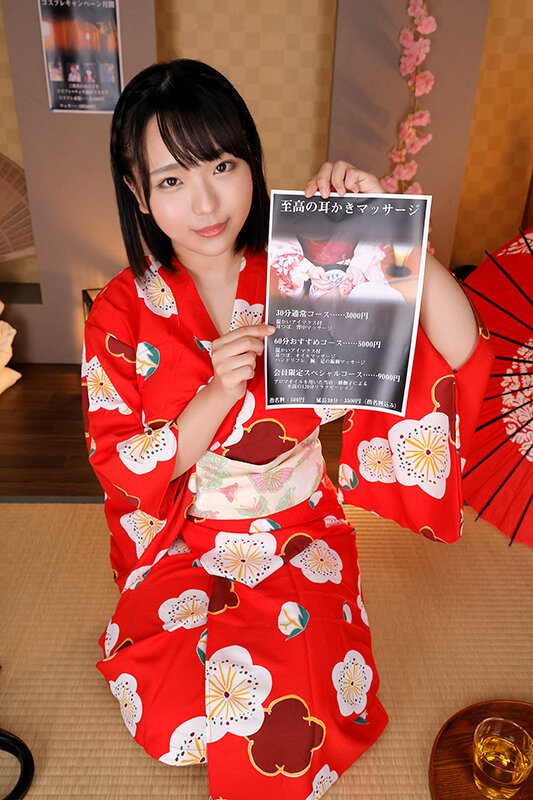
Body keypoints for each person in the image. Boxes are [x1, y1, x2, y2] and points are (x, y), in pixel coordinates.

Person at [82, 59, 493, 799]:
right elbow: (124, 464)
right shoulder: (121, 308)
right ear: (138, 193)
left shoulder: (306, 262)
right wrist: (216, 392)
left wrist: (390, 227)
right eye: (171, 180)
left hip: (299, 529)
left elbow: (457, 349)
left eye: (223, 166)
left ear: (251, 162)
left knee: (298, 714)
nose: (206, 202)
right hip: (185, 535)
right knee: (174, 726)